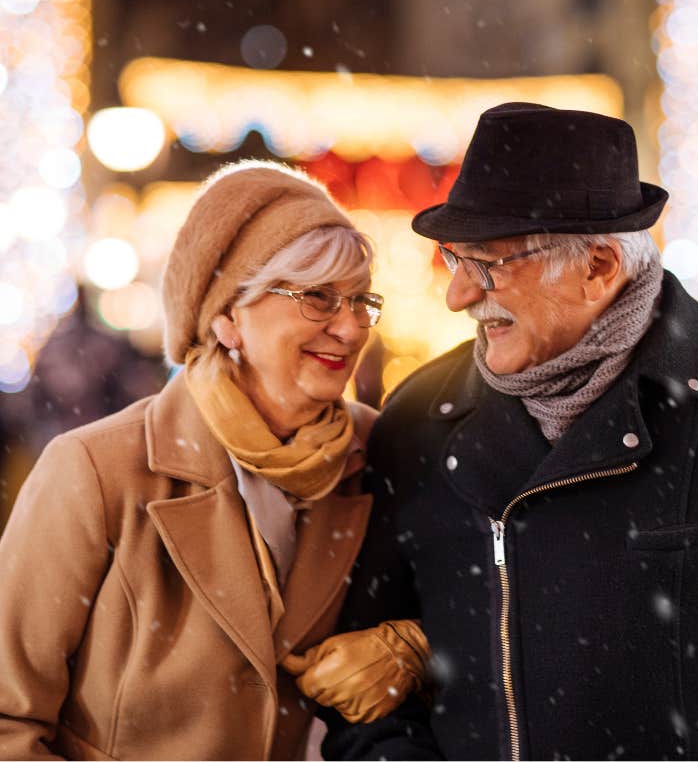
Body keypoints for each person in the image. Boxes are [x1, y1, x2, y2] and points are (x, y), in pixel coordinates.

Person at [311, 104, 698, 760]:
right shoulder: (419, 422)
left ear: (597, 266)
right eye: (455, 256)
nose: (456, 294)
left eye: (490, 263)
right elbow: (366, 704)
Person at [0, 160, 429, 761]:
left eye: (361, 301)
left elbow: (488, 603)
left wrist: (412, 645)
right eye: (317, 298)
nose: (351, 328)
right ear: (227, 317)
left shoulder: (379, 451)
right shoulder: (95, 470)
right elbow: (8, 719)